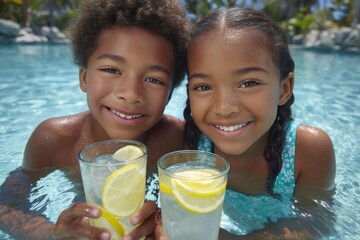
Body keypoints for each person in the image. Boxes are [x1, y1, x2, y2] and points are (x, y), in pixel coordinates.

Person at [0, 0, 190, 239]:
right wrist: (50, 233)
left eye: (154, 79)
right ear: (84, 78)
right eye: (111, 70)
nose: (130, 94)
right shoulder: (55, 139)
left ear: (170, 93)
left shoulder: (176, 143)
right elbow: (6, 204)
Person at [156, 7, 336, 240]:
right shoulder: (187, 144)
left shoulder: (308, 149)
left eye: (248, 83)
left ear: (284, 88)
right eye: (203, 87)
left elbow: (316, 224)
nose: (224, 107)